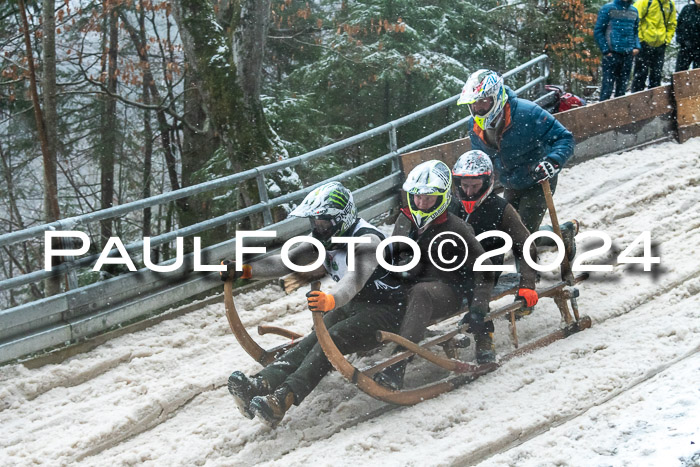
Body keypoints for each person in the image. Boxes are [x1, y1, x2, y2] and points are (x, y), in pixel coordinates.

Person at [223, 181, 405, 426]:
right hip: (355, 306)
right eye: (315, 224)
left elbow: (353, 281)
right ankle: (263, 382)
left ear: (341, 219)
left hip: (389, 309)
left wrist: (331, 299)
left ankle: (284, 397)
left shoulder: (368, 240)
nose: (318, 229)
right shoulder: (322, 239)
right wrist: (245, 270)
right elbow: (284, 263)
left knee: (333, 339)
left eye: (324, 223)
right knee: (314, 337)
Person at [373, 160, 495, 391]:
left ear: (441, 198)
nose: (421, 203)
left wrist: (478, 308)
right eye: (417, 197)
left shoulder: (455, 228)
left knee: (421, 293)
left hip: (445, 290)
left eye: (428, 198)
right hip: (408, 284)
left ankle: (397, 365)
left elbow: (484, 266)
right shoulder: (404, 220)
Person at [457, 69, 575, 237]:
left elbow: (564, 138)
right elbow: (479, 159)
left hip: (538, 179)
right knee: (509, 231)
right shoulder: (474, 126)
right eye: (473, 104)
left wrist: (553, 161)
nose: (477, 108)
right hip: (510, 181)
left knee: (523, 236)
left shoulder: (527, 112)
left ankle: (550, 239)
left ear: (496, 97)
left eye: (482, 102)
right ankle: (563, 233)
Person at [449, 150, 539, 312]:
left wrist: (527, 284)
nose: (469, 192)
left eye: (475, 186)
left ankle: (480, 324)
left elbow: (526, 245)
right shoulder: (451, 206)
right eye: (465, 186)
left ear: (486, 183)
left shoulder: (501, 209)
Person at [594, 0, 641, 101]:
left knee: (622, 89)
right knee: (607, 88)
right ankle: (603, 114)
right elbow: (598, 31)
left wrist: (636, 46)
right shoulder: (608, 8)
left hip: (628, 54)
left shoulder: (634, 11)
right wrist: (606, 50)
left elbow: (635, 31)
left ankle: (619, 114)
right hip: (612, 54)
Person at [631, 0, 677, 92]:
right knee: (640, 75)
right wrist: (641, 39)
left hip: (660, 45)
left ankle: (654, 101)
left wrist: (666, 40)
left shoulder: (670, 4)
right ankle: (637, 100)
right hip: (644, 44)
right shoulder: (646, 2)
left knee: (656, 76)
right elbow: (635, 20)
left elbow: (672, 24)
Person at [675, 0, 700, 71]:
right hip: (685, 48)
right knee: (679, 73)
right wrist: (682, 40)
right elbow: (679, 26)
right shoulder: (687, 9)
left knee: (697, 76)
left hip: (698, 49)